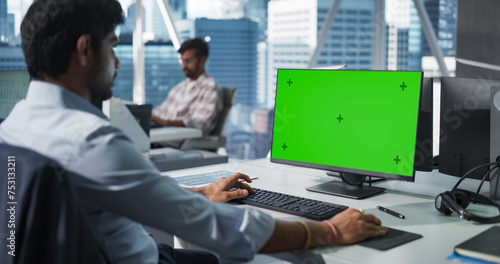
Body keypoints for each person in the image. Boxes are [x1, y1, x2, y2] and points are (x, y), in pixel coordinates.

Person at [0, 0, 388, 263]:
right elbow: (222, 230)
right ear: (85, 50)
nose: (116, 61)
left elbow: (105, 190)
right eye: (111, 46)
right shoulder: (91, 142)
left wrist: (200, 191)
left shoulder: (14, 127)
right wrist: (326, 231)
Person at [151, 37, 223, 137]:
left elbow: (201, 123)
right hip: (160, 139)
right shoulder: (178, 88)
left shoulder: (210, 87)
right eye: (182, 61)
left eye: (188, 61)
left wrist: (167, 123)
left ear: (202, 60)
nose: (184, 66)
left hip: (181, 145)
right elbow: (160, 112)